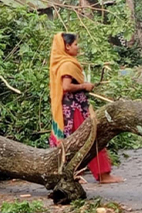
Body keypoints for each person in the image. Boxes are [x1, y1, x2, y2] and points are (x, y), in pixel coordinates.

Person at [48, 32, 123, 184]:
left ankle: (70, 174)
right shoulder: (67, 64)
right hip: (75, 108)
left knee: (72, 141)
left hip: (67, 109)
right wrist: (85, 86)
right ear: (67, 47)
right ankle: (103, 174)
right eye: (75, 44)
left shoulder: (60, 62)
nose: (78, 47)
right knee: (92, 137)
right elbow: (66, 86)